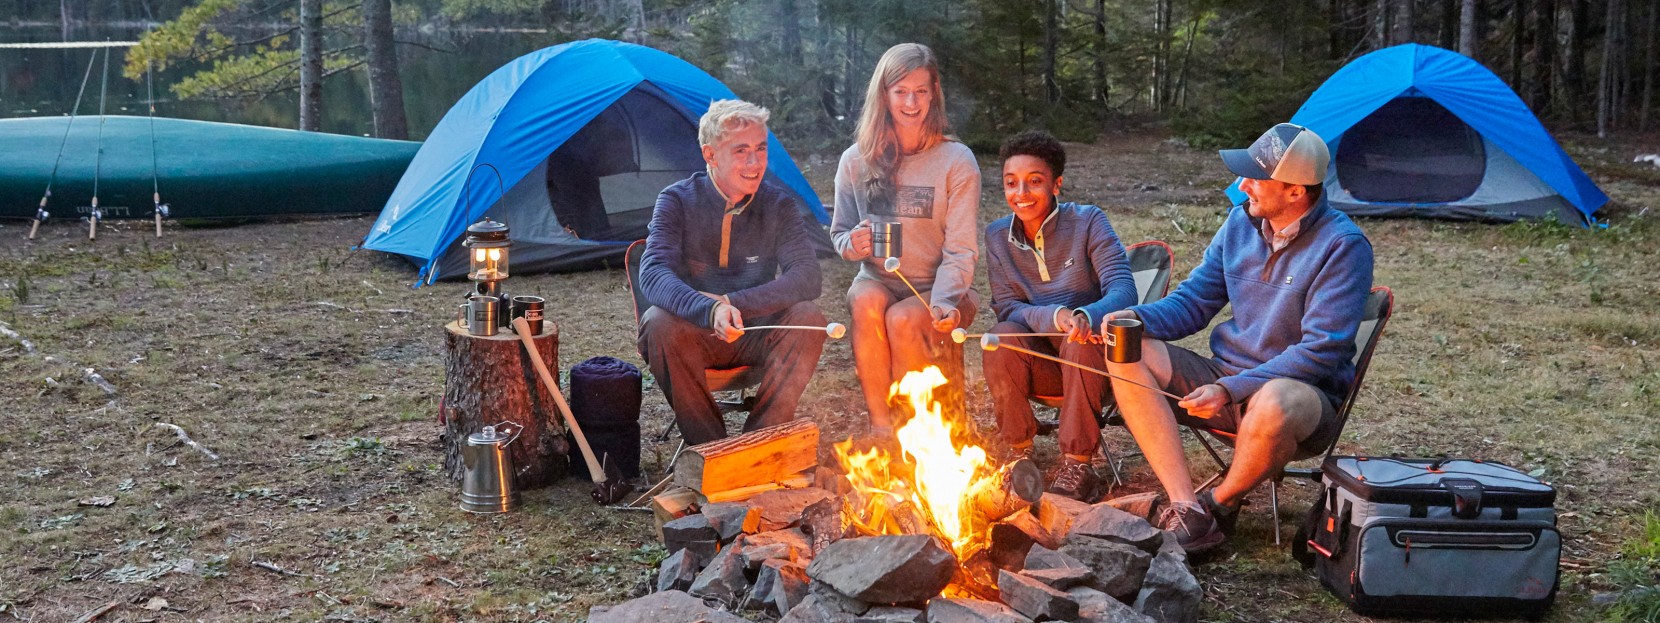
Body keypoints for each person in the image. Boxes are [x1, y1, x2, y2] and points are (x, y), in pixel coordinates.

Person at [1102, 123, 1374, 552]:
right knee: (1129, 350)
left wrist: (1229, 389)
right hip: (1225, 378)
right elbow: (1193, 302)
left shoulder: (1343, 246)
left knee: (1275, 399)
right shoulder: (1240, 224)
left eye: (1256, 177)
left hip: (1299, 399)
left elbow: (1322, 350)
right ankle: (1187, 508)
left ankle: (1219, 503)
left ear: (1295, 192)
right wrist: (1134, 317)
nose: (1242, 184)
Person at [636, 99, 827, 446]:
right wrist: (708, 310)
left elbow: (807, 276)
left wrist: (732, 302)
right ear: (710, 155)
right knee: (658, 322)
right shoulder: (677, 200)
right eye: (741, 151)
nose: (755, 163)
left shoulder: (777, 205)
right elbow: (652, 273)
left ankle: (758, 444)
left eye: (760, 149)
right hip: (693, 334)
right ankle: (710, 450)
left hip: (757, 332)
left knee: (808, 318)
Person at [830, 43, 980, 439]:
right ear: (884, 94)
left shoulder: (956, 160)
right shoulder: (856, 159)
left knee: (900, 319)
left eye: (921, 91)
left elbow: (962, 249)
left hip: (939, 288)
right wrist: (853, 244)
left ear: (934, 93)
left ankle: (918, 435)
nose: (911, 102)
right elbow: (839, 233)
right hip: (878, 278)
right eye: (901, 91)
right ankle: (882, 429)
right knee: (866, 301)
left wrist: (946, 299)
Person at [981, 130, 1137, 502]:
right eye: (1011, 183)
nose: (1022, 193)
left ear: (1056, 184)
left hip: (1090, 360)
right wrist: (1055, 315)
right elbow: (1008, 306)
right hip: (1040, 359)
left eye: (1034, 182)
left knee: (1079, 343)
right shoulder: (997, 236)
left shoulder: (1088, 222)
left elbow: (1124, 289)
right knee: (999, 337)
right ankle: (1020, 450)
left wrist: (1085, 314)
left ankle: (1078, 462)